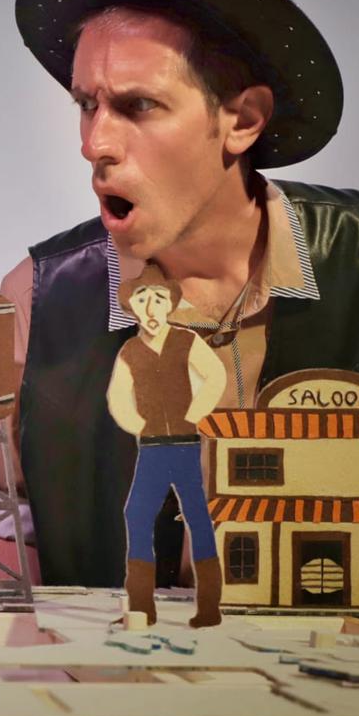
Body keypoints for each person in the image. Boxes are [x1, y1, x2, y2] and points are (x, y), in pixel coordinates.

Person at [0, 0, 359, 598]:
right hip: (116, 664)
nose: (95, 143)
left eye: (138, 106)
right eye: (87, 104)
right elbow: (13, 527)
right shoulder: (40, 294)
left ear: (242, 120)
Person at [106, 266, 225, 626]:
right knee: (137, 514)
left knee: (197, 517)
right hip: (152, 448)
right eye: (142, 299)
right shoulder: (130, 350)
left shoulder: (187, 341)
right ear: (132, 307)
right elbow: (118, 395)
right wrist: (139, 425)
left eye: (158, 299)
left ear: (170, 305)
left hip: (185, 445)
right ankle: (142, 607)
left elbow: (215, 376)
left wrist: (194, 414)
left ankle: (209, 608)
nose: (151, 307)